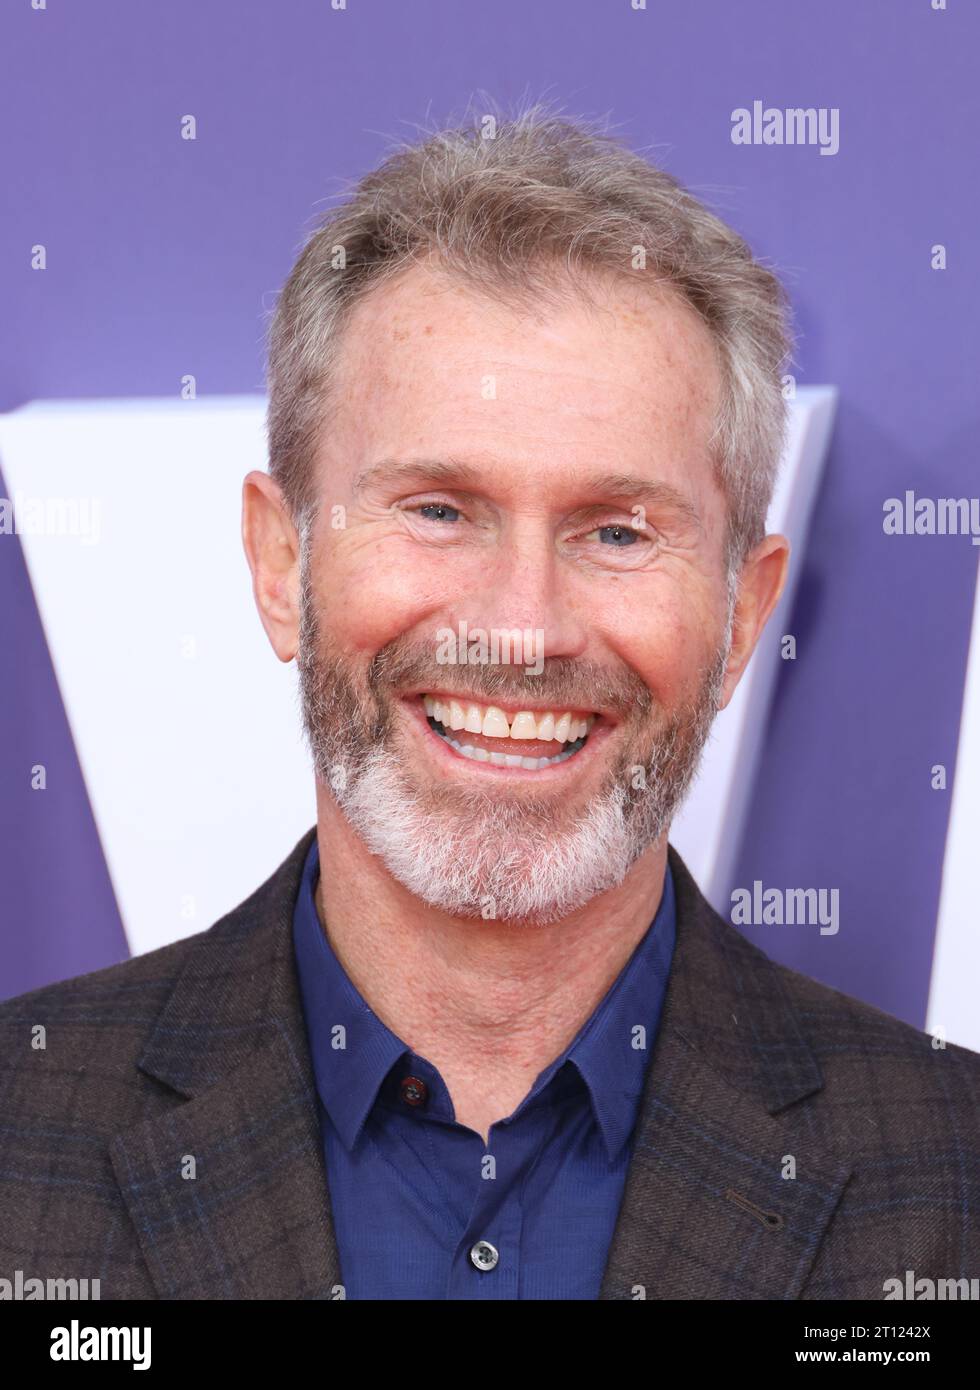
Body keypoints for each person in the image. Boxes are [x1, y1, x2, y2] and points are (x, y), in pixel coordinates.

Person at [1, 108, 977, 1301]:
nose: (520, 629)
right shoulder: (19, 1139)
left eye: (615, 530)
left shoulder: (951, 1179)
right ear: (278, 562)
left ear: (738, 617)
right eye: (438, 509)